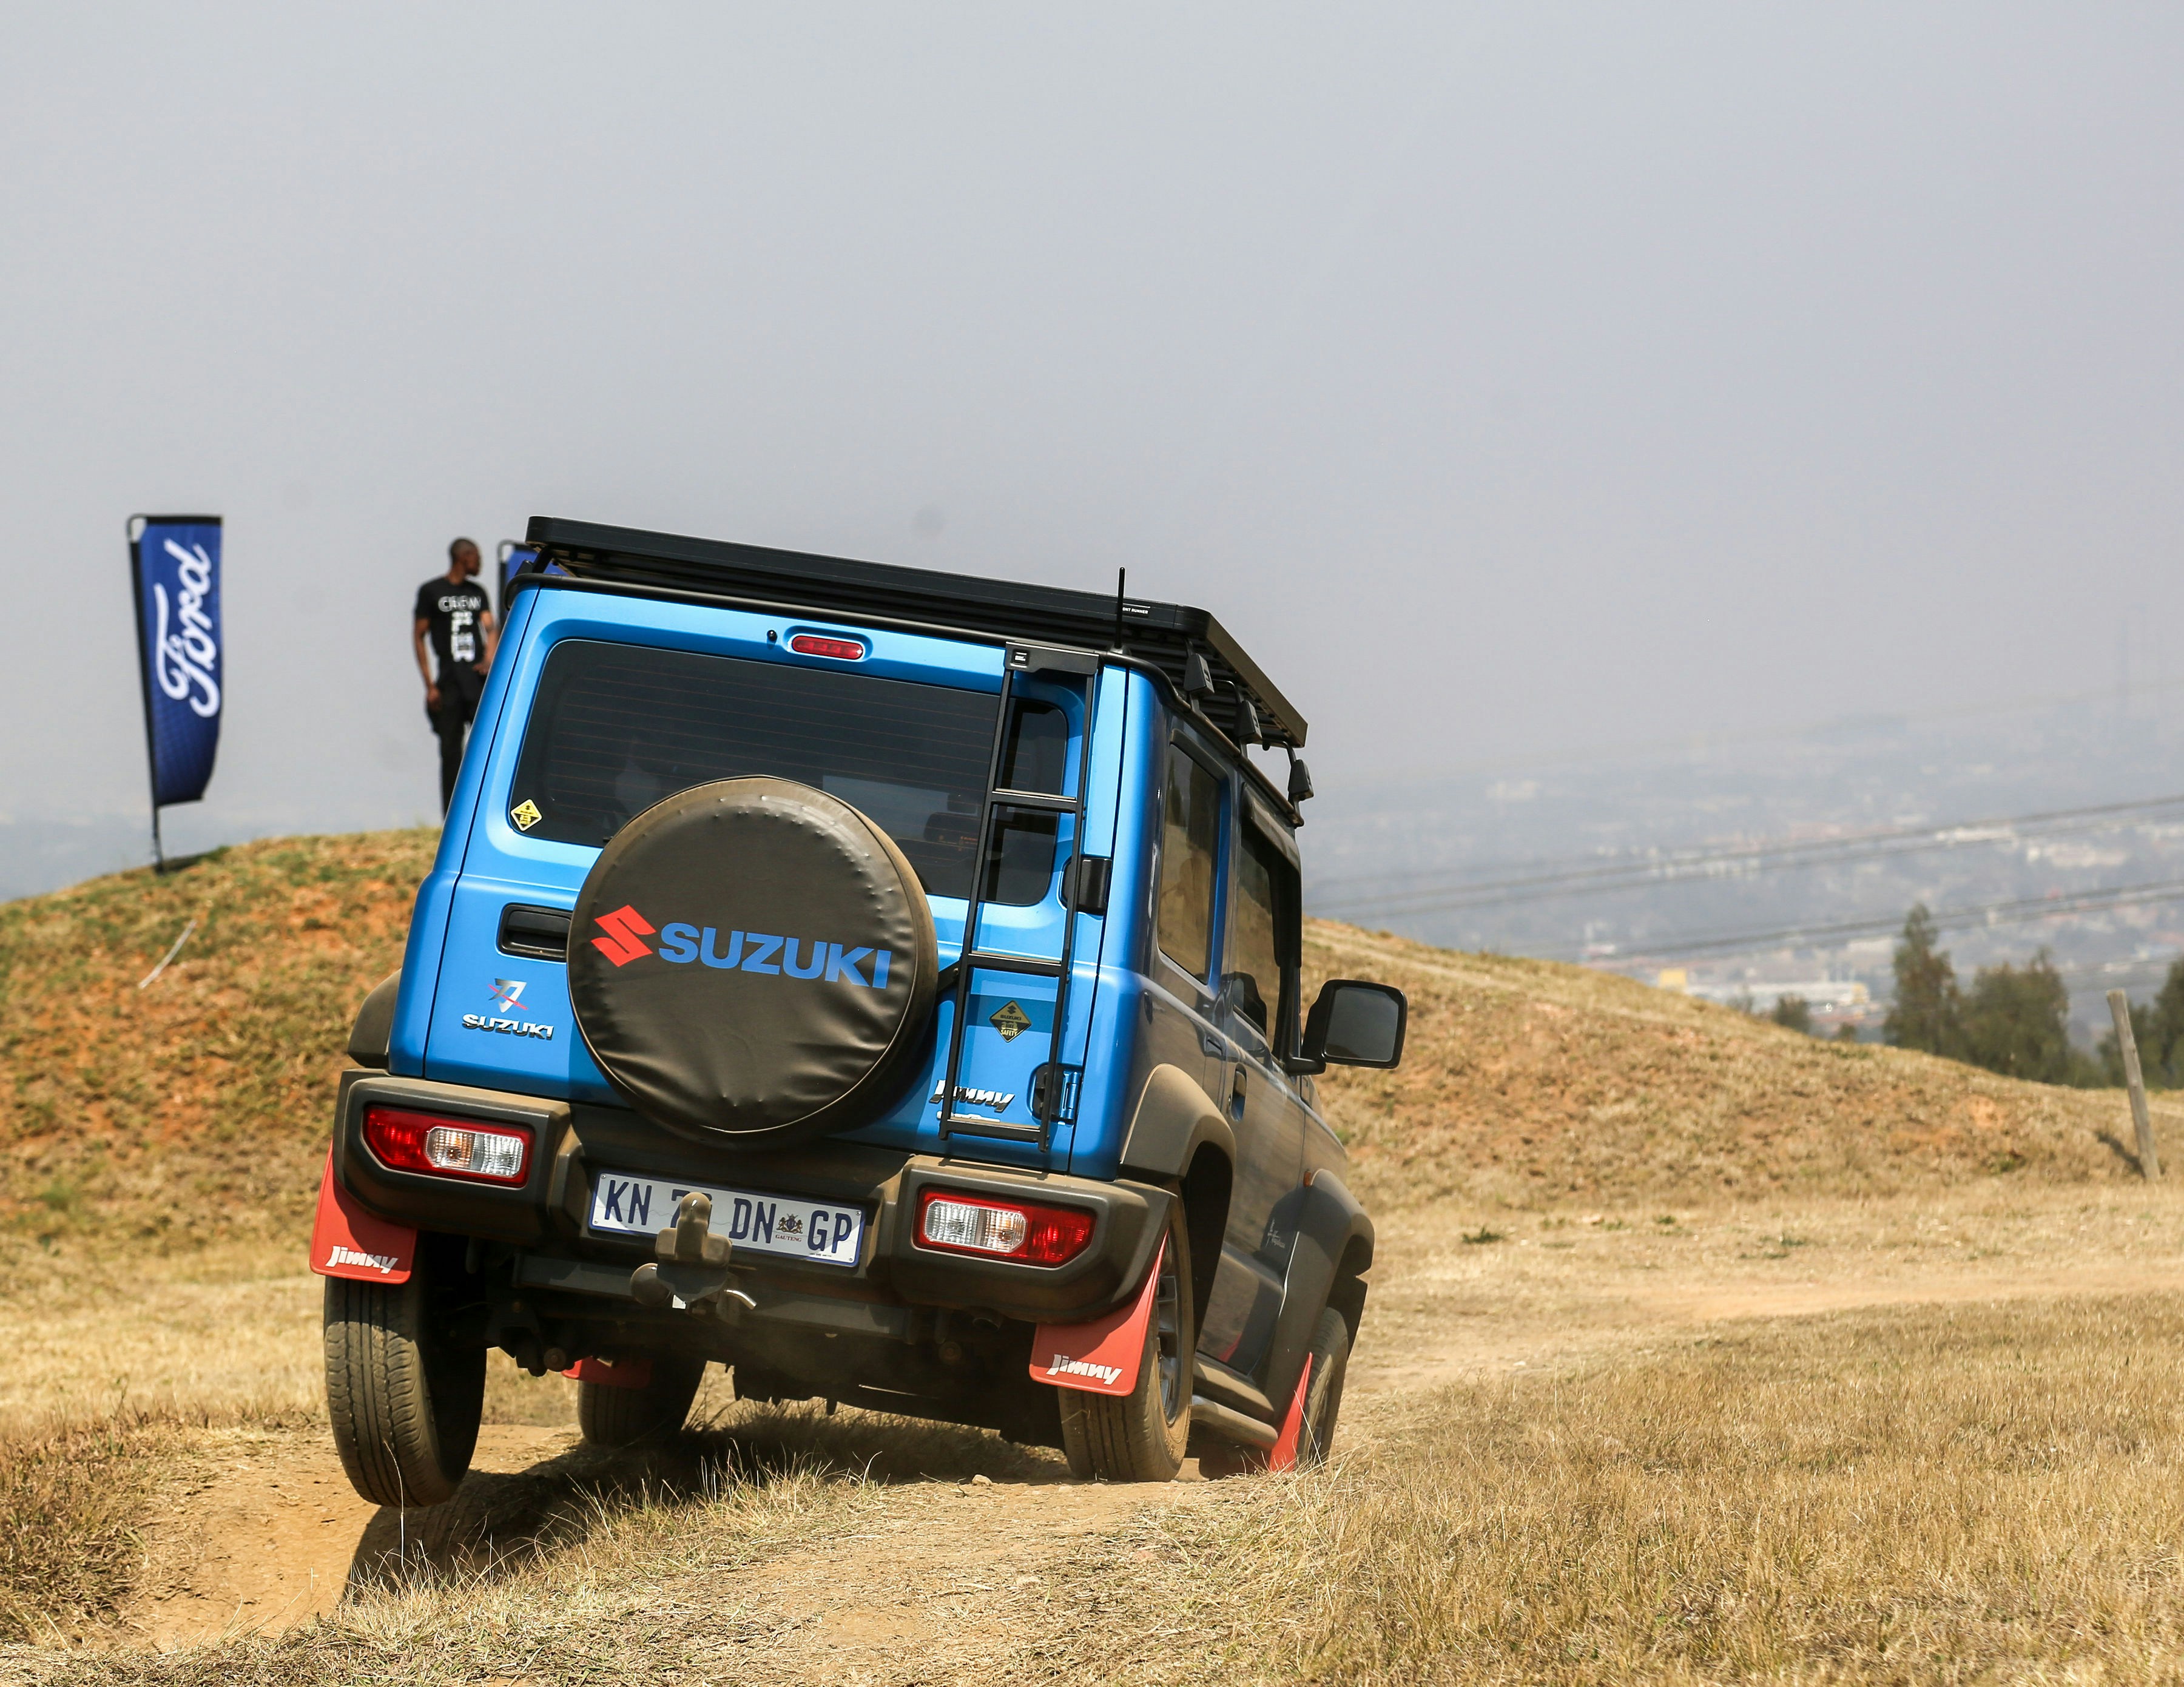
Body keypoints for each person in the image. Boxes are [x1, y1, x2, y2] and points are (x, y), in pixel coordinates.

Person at [413, 538, 498, 813]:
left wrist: (489, 658)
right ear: (465, 558)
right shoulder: (432, 591)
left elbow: (490, 627)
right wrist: (429, 685)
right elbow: (419, 636)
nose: (480, 564)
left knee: (486, 743)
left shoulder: (478, 592)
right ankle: (450, 815)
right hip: (448, 681)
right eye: (477, 558)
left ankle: (482, 808)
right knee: (451, 751)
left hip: (475, 681)